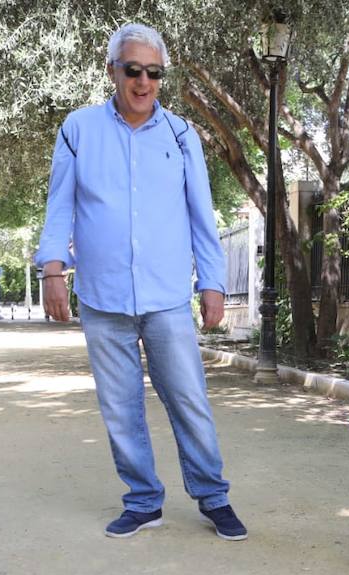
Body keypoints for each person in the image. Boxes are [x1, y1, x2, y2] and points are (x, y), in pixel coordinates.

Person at [35, 22, 247, 541]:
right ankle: (143, 500)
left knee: (188, 399)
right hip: (103, 295)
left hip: (166, 294)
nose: (144, 82)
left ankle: (213, 496)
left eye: (154, 72)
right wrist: (52, 270)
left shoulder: (180, 135)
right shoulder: (79, 129)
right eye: (134, 70)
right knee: (120, 405)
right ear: (113, 71)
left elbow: (203, 213)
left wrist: (212, 283)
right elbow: (59, 205)